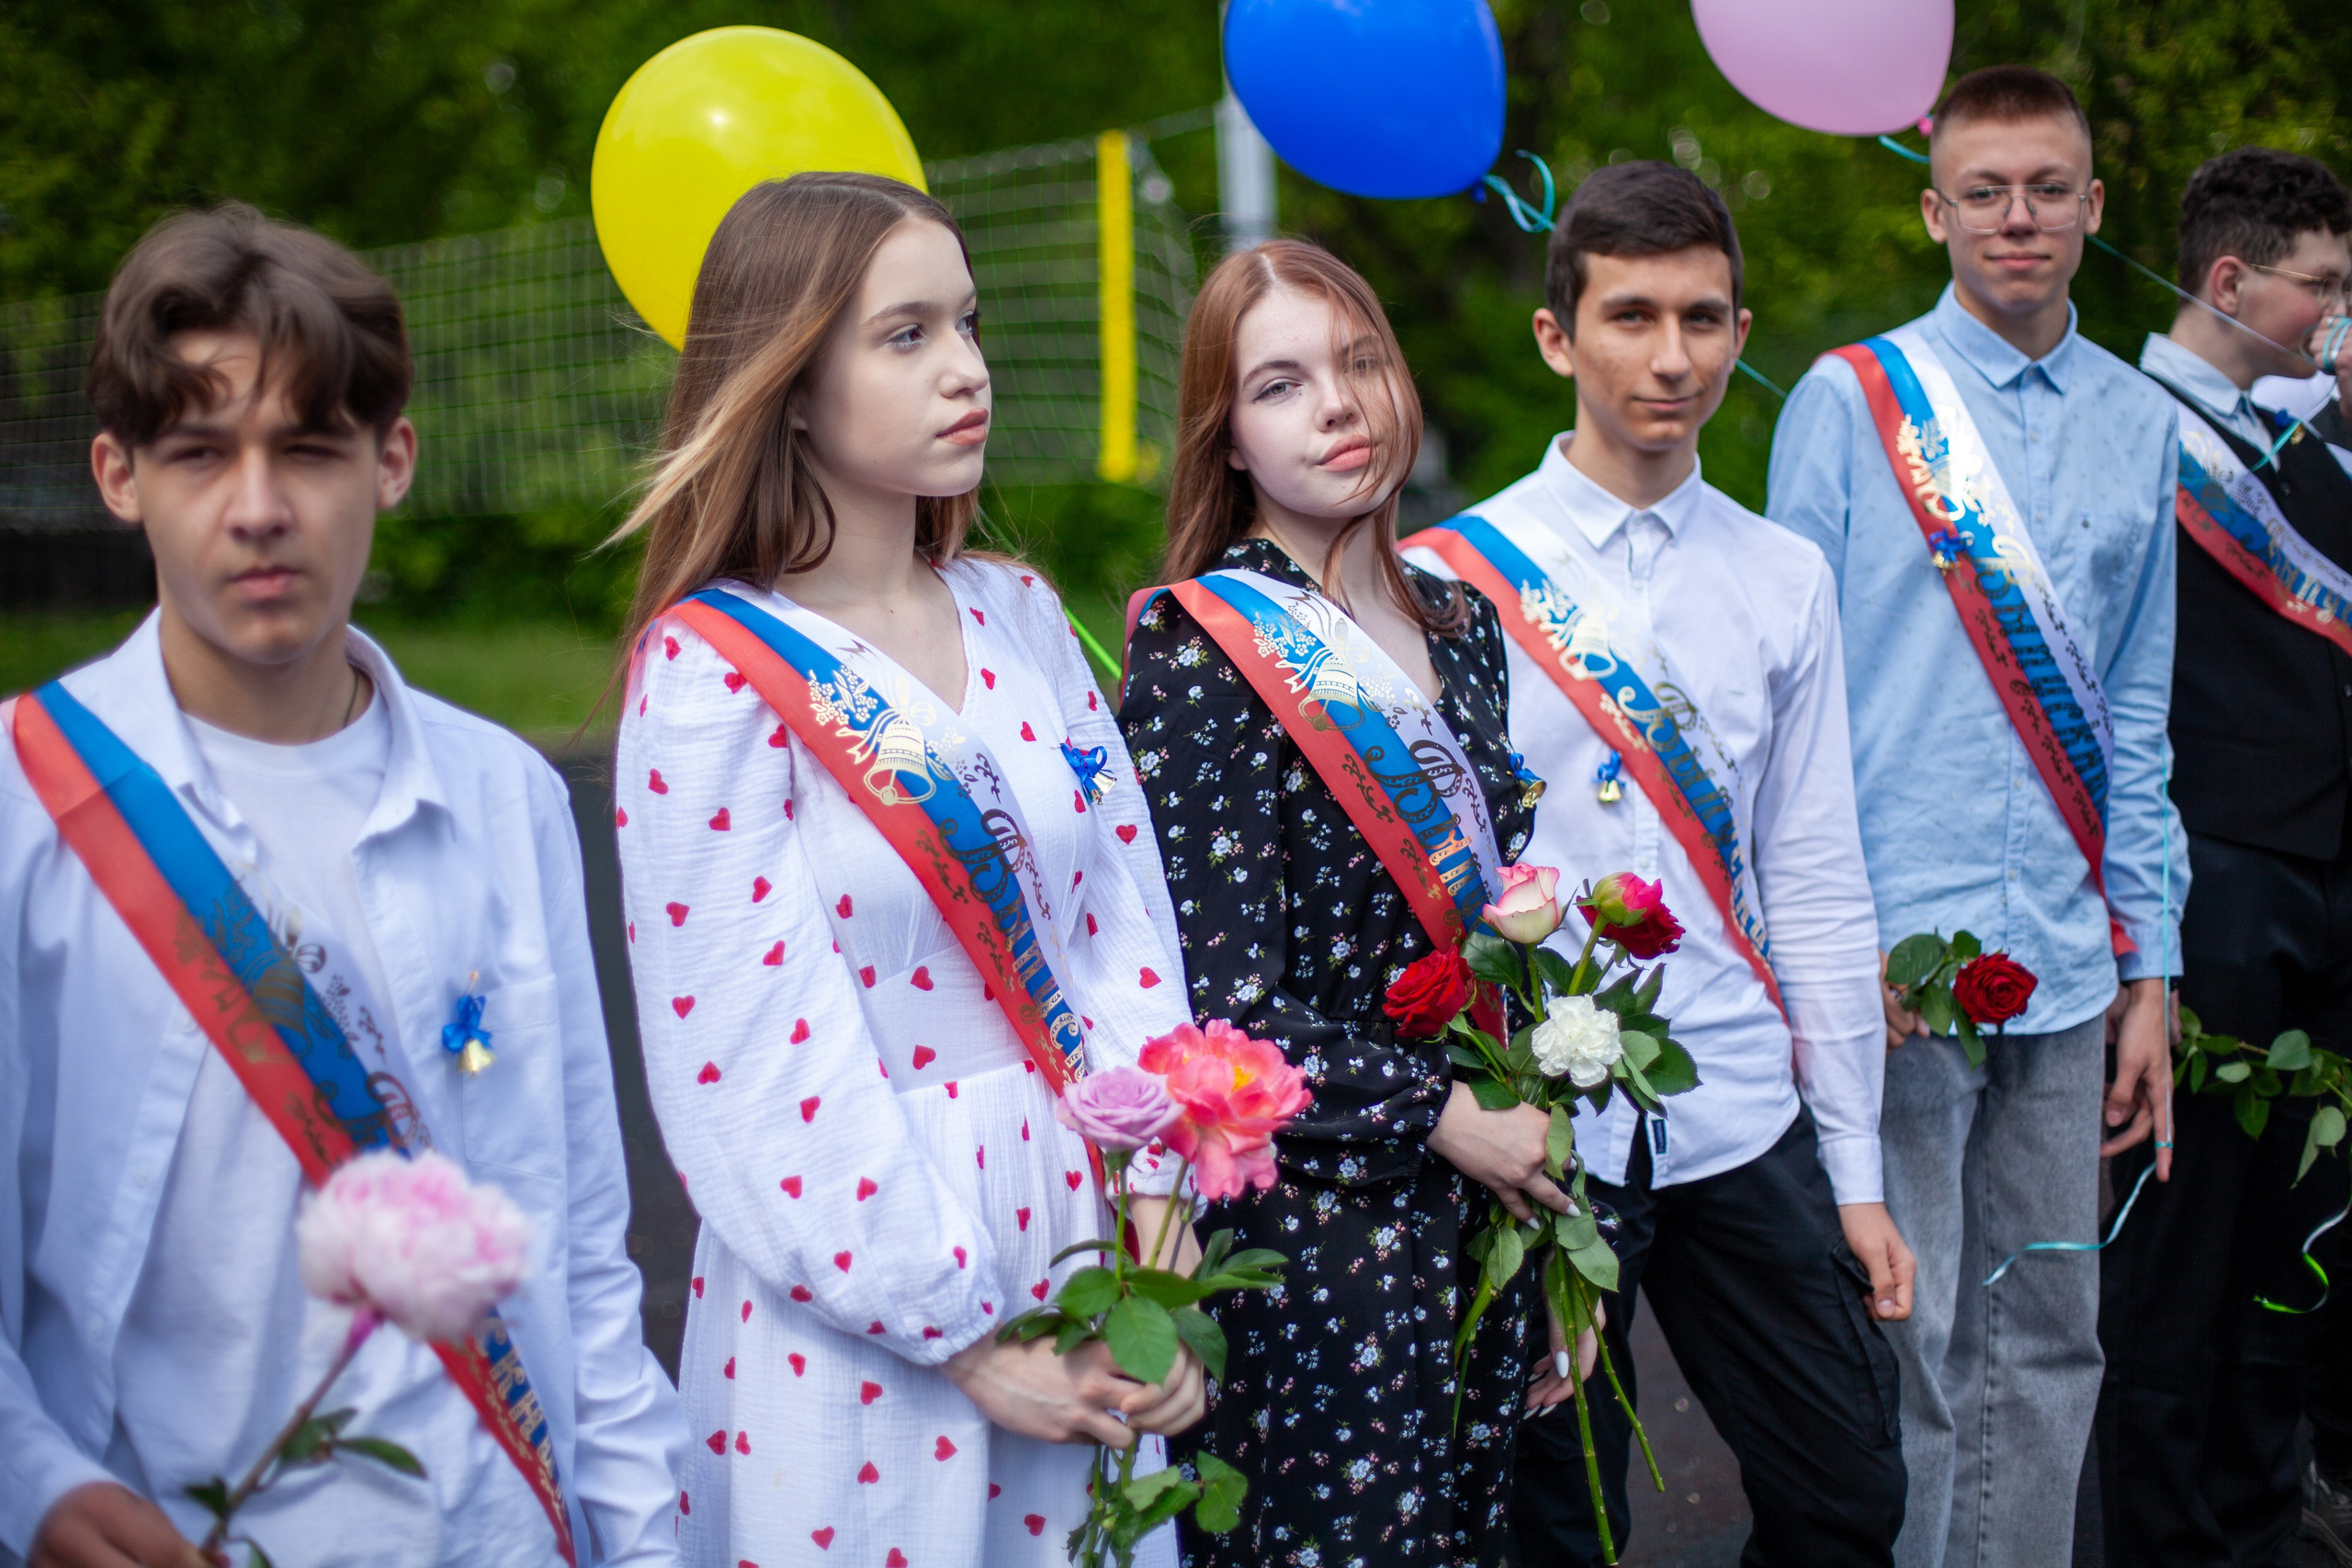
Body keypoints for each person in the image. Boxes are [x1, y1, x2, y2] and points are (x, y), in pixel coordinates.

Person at [0, 206, 684, 1567]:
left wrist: (647, 1542)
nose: (258, 508)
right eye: (200, 454)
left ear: (392, 462)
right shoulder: (29, 807)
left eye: (309, 450)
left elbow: (583, 1245)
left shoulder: (506, 795)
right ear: (118, 475)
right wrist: (40, 1492)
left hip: (507, 1532)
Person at [610, 173, 1204, 1568]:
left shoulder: (1021, 612)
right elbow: (748, 1061)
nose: (970, 371)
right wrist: (973, 1337)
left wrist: (1159, 1199)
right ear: (790, 385)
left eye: (971, 325)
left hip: (1080, 1221)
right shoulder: (711, 679)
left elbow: (1122, 918)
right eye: (908, 336)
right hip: (865, 1276)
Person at [1404, 160, 1910, 1565]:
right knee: (1563, 1524)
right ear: (1558, 335)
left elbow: (1813, 876)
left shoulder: (1784, 575)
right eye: (1632, 316)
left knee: (1849, 1494)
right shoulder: (1444, 578)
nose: (1671, 356)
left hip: (1739, 1106)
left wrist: (1855, 1173)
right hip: (1542, 1140)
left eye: (1703, 318)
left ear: (1743, 335)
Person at [1767, 65, 2187, 1568]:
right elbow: (1786, 709)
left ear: (2089, 207)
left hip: (2072, 965)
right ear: (1935, 210)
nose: (2020, 218)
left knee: (2056, 1329)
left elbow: (2137, 714)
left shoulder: (2144, 423)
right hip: (1895, 956)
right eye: (1987, 192)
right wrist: (1821, 948)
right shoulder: (1848, 400)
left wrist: (2153, 967)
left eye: (2049, 190)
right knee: (1913, 1339)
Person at [1121, 238, 1566, 1568]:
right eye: (1281, 383)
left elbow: (1501, 934)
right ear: (1229, 439)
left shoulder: (1464, 624)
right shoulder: (1199, 651)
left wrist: (1557, 1234)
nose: (1338, 402)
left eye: (1360, 359)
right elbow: (1226, 1010)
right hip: (1325, 1237)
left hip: (1486, 1202)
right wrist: (1441, 1117)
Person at [2097, 145, 2352, 1568]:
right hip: (2205, 877)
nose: (2335, 313)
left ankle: (2265, 1517)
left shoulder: (2315, 434)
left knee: (2296, 1231)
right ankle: (2163, 1535)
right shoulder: (2120, 422)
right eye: (2322, 286)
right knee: (2181, 1240)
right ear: (2233, 280)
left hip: (2331, 885)